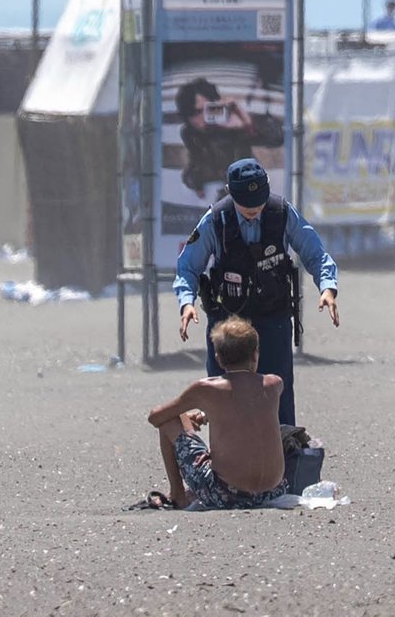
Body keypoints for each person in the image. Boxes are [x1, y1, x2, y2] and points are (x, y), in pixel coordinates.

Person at [174, 158, 339, 426]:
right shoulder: (216, 219)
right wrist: (186, 302)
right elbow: (188, 267)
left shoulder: (282, 213)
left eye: (259, 203)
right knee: (222, 395)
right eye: (246, 204)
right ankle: (226, 450)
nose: (254, 210)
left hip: (272, 317)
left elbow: (315, 253)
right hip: (228, 321)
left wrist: (327, 288)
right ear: (230, 192)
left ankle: (283, 450)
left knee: (277, 394)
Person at [147, 316, 287, 509]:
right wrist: (205, 415)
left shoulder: (206, 389)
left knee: (170, 419)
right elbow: (244, 411)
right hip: (274, 491)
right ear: (255, 355)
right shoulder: (274, 384)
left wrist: (185, 416)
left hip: (227, 495)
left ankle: (178, 495)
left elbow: (155, 417)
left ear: (218, 358)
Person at [175, 78, 283, 198]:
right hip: (214, 180)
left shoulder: (231, 125)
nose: (204, 117)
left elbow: (277, 138)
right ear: (187, 115)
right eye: (197, 112)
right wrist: (197, 183)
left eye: (209, 109)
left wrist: (246, 122)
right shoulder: (189, 132)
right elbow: (194, 161)